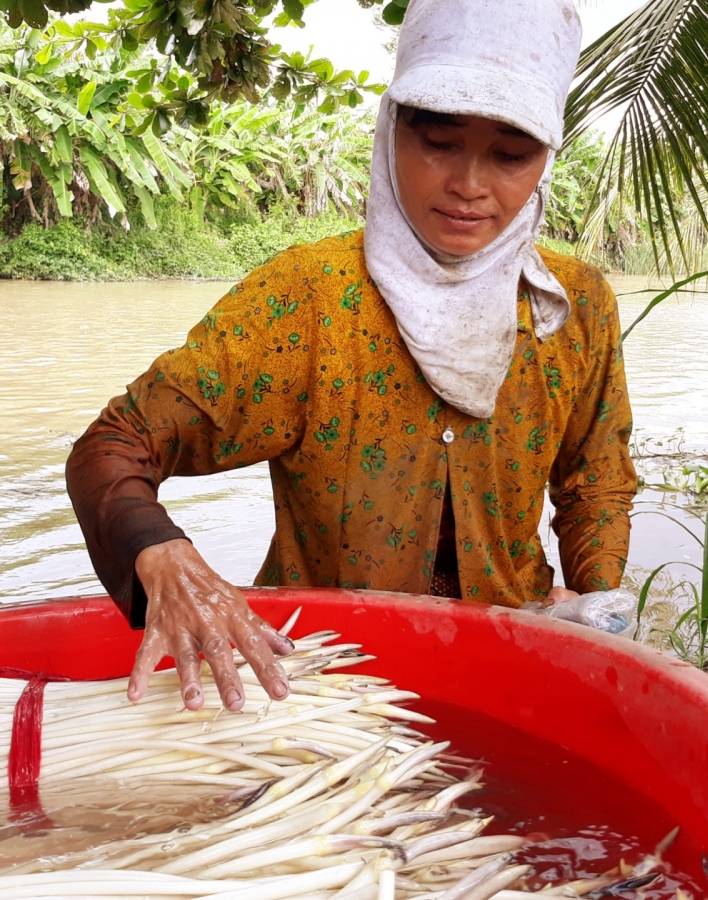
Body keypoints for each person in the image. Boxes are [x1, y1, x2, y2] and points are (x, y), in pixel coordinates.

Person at [68, 0, 635, 712]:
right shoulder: (307, 300)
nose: (469, 184)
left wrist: (597, 595)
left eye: (511, 155)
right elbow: (113, 444)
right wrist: (160, 551)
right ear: (391, 130)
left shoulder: (574, 305)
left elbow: (596, 476)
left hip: (510, 661)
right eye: (437, 140)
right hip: (320, 682)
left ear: (545, 159)